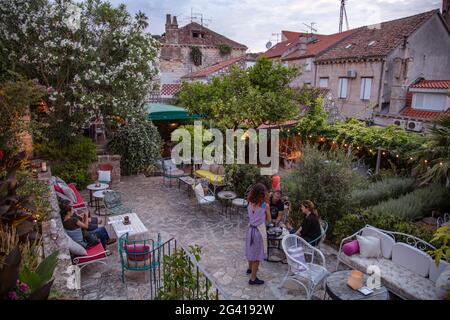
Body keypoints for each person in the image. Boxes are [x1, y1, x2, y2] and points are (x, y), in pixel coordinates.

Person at [245, 183, 271, 285]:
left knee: (251, 249)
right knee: (257, 256)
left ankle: (249, 268)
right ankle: (253, 278)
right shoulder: (265, 205)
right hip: (258, 232)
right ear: (262, 194)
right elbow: (269, 219)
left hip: (250, 229)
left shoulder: (250, 202)